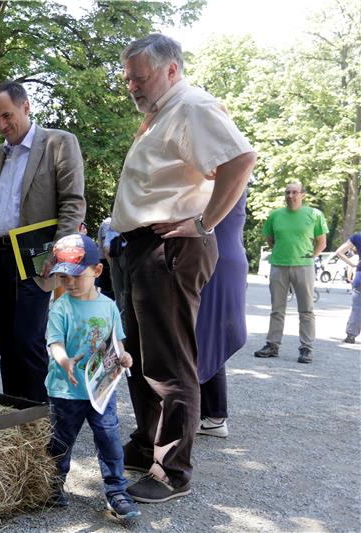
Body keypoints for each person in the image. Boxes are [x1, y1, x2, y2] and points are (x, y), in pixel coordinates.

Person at [111, 34, 256, 502]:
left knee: (169, 363)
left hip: (167, 246)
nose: (131, 85)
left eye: (140, 76)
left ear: (171, 69)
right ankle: (146, 444)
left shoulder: (192, 104)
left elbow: (241, 159)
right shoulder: (161, 115)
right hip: (141, 245)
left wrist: (204, 221)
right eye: (128, 77)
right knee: (140, 357)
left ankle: (172, 470)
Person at [0, 81, 86, 403]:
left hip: (38, 255)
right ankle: (15, 414)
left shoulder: (59, 143)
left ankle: (39, 418)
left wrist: (60, 253)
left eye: (7, 116)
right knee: (4, 340)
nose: (1, 125)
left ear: (26, 107)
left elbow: (72, 203)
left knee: (28, 339)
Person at [44, 234, 139, 520]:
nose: (69, 283)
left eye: (76, 276)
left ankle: (117, 491)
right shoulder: (60, 306)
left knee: (109, 438)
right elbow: (54, 342)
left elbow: (116, 342)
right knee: (60, 440)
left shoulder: (108, 306)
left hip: (102, 389)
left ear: (97, 271)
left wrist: (124, 357)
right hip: (66, 390)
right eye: (63, 277)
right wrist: (64, 361)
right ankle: (52, 484)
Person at [195, 190, 249, 438]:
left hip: (217, 261)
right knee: (208, 338)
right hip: (224, 259)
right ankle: (212, 414)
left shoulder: (222, 182)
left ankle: (214, 415)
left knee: (206, 338)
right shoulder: (232, 178)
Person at [253, 181, 327, 363]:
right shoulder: (275, 215)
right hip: (278, 265)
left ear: (302, 195)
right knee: (277, 309)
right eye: (287, 192)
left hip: (304, 266)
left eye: (294, 192)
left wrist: (309, 257)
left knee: (306, 310)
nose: (290, 196)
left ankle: (306, 349)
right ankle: (272, 345)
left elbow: (321, 242)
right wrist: (281, 254)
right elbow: (271, 240)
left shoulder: (314, 214)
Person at [334, 232, 361, 344]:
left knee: (357, 308)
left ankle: (350, 335)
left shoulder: (357, 237)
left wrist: (353, 264)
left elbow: (339, 252)